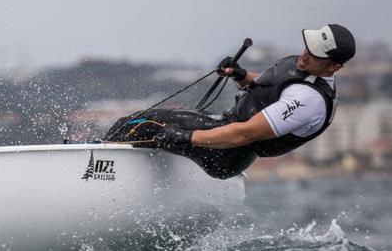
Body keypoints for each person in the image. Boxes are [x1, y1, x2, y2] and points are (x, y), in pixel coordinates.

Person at [104, 24, 356, 179]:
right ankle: (99, 153)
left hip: (227, 153)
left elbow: (245, 134)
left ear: (334, 66)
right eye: (308, 48)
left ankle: (91, 162)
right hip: (224, 129)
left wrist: (183, 137)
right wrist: (241, 75)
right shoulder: (302, 71)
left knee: (146, 124)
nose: (304, 56)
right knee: (138, 121)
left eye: (316, 55)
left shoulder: (308, 100)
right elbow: (270, 88)